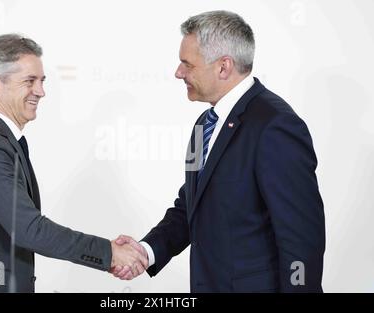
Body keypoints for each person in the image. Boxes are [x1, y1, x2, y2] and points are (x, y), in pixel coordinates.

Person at [113, 10, 325, 292]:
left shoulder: (275, 125)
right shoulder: (205, 124)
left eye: (187, 64)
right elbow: (191, 205)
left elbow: (301, 238)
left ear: (223, 67)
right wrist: (146, 251)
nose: (178, 73)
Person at [0, 34, 147, 293]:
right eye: (29, 81)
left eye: (42, 81)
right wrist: (109, 253)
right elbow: (29, 229)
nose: (41, 91)